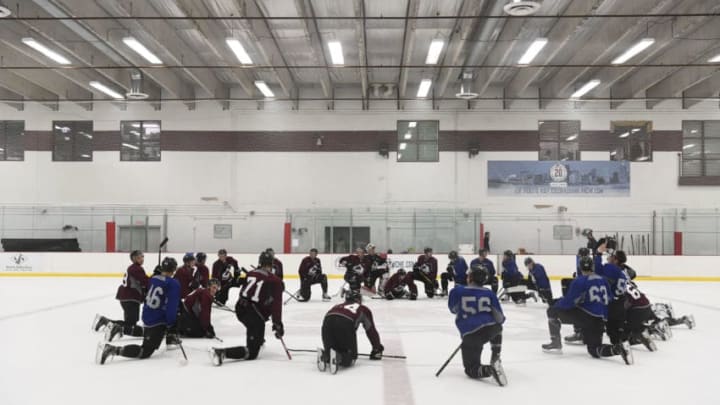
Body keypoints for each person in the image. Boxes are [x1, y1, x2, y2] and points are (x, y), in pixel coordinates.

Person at [541, 256, 633, 365]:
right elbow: (609, 298)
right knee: (594, 350)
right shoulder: (603, 279)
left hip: (586, 318)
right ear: (593, 267)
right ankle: (618, 349)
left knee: (552, 311)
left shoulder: (579, 281)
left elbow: (568, 303)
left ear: (580, 268)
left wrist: (556, 303)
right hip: (600, 319)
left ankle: (556, 342)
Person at [96, 257, 181, 365]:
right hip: (157, 319)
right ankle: (112, 350)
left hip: (147, 314)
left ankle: (119, 328)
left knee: (146, 332)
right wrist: (171, 323)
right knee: (146, 351)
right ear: (174, 269)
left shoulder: (153, 278)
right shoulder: (173, 283)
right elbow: (172, 305)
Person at [210, 251, 284, 365]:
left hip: (240, 307)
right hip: (252, 313)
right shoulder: (275, 281)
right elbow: (276, 306)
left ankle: (257, 338)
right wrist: (277, 324)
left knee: (259, 320)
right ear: (271, 264)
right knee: (252, 352)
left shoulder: (251, 273)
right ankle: (221, 353)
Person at [448, 264, 506, 385]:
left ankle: (489, 370)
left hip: (471, 335)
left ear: (470, 277)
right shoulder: (489, 293)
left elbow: (453, 309)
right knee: (497, 327)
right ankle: (495, 356)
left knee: (471, 369)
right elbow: (500, 318)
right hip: (490, 329)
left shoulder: (457, 291)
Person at [318, 289, 383, 373]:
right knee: (350, 359)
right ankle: (339, 358)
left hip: (327, 323)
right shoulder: (363, 309)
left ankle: (325, 355)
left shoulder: (337, 306)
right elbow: (371, 330)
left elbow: (328, 318)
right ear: (359, 299)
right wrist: (377, 348)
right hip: (345, 323)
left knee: (333, 350)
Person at [92, 250, 149, 339]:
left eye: (142, 257)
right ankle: (108, 324)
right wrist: (156, 275)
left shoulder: (133, 268)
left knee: (130, 323)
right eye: (139, 257)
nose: (142, 259)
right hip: (130, 298)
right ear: (134, 259)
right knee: (130, 324)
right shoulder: (136, 269)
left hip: (127, 298)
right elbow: (146, 282)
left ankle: (106, 322)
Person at [594, 244, 629, 345]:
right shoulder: (621, 272)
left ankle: (620, 348)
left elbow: (597, 270)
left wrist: (598, 254)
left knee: (612, 333)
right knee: (616, 333)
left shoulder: (611, 268)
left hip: (612, 305)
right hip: (620, 304)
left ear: (616, 260)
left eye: (612, 256)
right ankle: (628, 341)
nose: (608, 257)